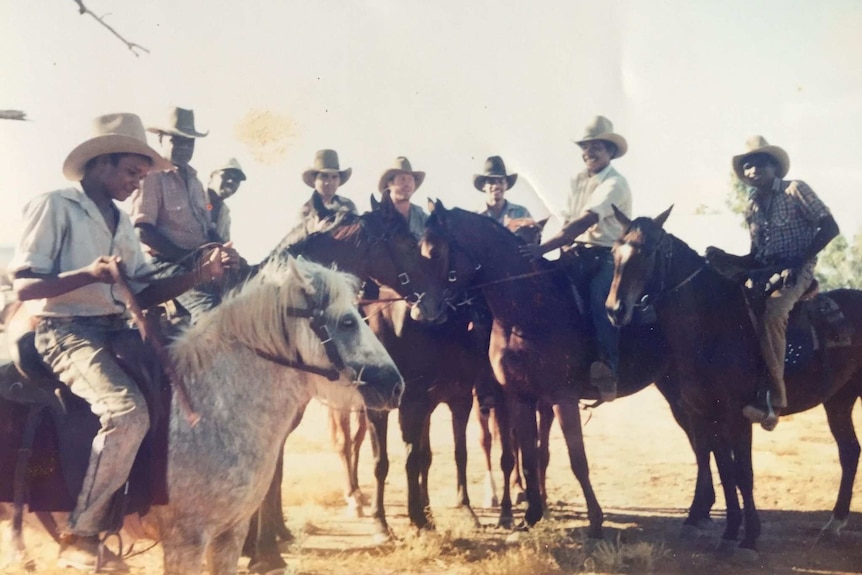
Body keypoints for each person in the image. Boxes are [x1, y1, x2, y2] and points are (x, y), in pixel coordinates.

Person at [7, 113, 234, 571]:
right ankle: (81, 530)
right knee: (126, 413)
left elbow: (145, 288)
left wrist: (199, 274)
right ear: (100, 163)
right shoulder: (54, 205)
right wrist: (87, 274)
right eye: (132, 172)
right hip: (66, 331)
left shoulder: (120, 220)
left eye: (142, 175)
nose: (136, 183)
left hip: (117, 329)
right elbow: (25, 286)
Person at [706, 136, 838, 431]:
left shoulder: (795, 189)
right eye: (747, 166)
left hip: (799, 269)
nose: (752, 170)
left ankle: (774, 399)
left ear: (774, 166)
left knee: (775, 311)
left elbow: (830, 226)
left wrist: (798, 262)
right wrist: (725, 258)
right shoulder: (752, 204)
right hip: (766, 272)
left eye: (759, 163)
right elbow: (755, 256)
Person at [521, 116, 631, 402]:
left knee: (600, 300)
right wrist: (561, 250)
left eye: (596, 147)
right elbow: (568, 219)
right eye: (585, 147)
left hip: (605, 255)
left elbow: (583, 222)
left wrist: (542, 249)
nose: (589, 152)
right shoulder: (577, 180)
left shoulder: (615, 183)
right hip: (576, 253)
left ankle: (609, 368)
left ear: (609, 151)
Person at [129, 106, 240, 324]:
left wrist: (227, 252)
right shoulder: (151, 176)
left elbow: (208, 229)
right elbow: (142, 231)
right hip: (163, 264)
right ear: (161, 139)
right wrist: (188, 260)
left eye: (189, 141)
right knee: (212, 312)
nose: (184, 147)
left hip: (198, 261)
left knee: (247, 297)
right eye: (176, 141)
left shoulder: (195, 181)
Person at [298, 149, 357, 234]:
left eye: (334, 177)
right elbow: (299, 244)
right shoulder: (305, 211)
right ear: (314, 180)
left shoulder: (348, 206)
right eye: (324, 176)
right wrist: (316, 232)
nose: (329, 182)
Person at [378, 156, 427, 240]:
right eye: (402, 179)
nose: (407, 184)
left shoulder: (422, 219)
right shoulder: (376, 218)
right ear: (389, 184)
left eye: (410, 180)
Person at [474, 156, 532, 223]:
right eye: (491, 182)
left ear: (506, 185)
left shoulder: (521, 214)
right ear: (483, 186)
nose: (496, 186)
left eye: (500, 181)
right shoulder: (475, 218)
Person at [206, 157, 246, 243]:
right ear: (212, 176)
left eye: (236, 180)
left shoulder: (225, 215)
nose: (231, 181)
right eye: (227, 175)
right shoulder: (194, 196)